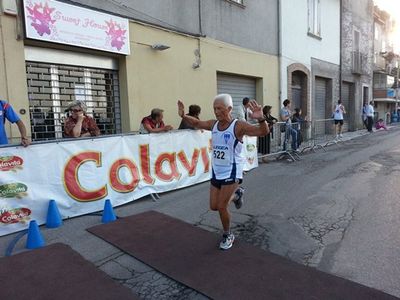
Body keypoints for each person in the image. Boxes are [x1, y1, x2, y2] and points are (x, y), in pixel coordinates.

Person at [177, 94, 268, 250]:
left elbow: (262, 132)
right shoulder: (214, 125)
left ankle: (227, 234)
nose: (216, 112)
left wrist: (261, 118)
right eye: (214, 108)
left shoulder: (238, 126)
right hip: (217, 171)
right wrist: (183, 116)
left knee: (221, 206)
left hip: (232, 171)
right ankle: (237, 195)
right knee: (214, 206)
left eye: (219, 108)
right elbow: (197, 122)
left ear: (230, 108)